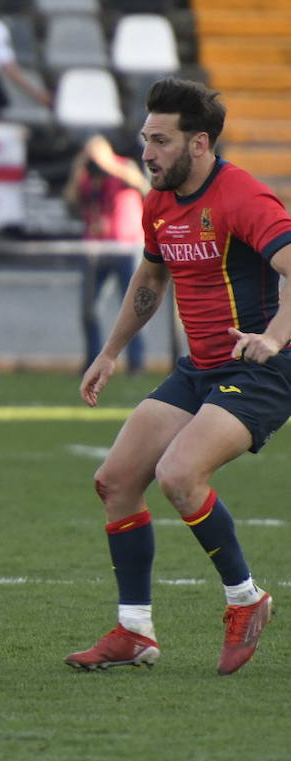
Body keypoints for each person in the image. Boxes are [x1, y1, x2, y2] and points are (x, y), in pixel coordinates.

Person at [66, 77, 288, 676]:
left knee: (180, 474)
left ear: (199, 144)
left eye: (161, 140)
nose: (147, 152)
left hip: (260, 369)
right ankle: (134, 631)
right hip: (201, 371)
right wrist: (110, 352)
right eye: (145, 138)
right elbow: (150, 280)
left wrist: (273, 338)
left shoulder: (240, 195)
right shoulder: (159, 200)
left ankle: (246, 599)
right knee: (116, 481)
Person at [61, 133, 147, 374]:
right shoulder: (87, 175)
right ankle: (92, 360)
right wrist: (77, 172)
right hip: (94, 248)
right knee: (89, 309)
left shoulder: (123, 166)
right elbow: (70, 201)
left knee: (132, 308)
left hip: (125, 247)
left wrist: (108, 164)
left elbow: (144, 187)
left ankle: (136, 363)